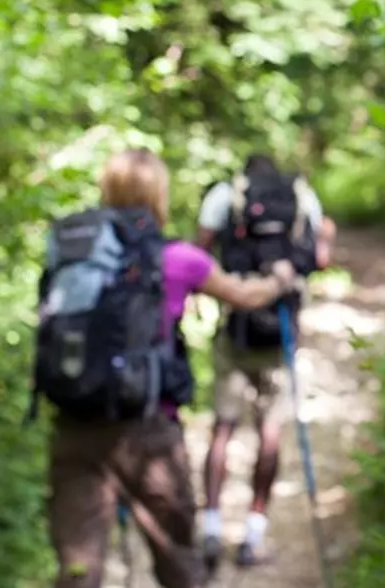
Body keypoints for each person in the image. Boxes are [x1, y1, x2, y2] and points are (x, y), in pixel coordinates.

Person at [41, 148, 299, 588]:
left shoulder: (70, 251)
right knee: (180, 563)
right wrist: (280, 278)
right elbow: (246, 295)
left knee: (79, 570)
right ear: (159, 193)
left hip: (74, 425)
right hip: (148, 431)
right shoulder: (178, 259)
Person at [194, 154, 331, 569]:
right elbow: (319, 259)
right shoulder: (301, 194)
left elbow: (200, 256)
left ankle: (212, 527)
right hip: (283, 328)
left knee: (222, 428)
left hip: (234, 328)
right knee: (270, 432)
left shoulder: (223, 195)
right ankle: (254, 533)